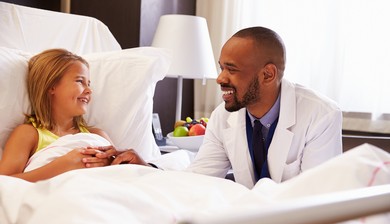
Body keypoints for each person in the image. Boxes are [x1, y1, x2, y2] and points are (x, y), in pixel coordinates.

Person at [91, 26, 343, 189]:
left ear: (267, 74)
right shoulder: (223, 117)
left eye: (231, 69)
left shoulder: (320, 115)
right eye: (221, 67)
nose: (220, 78)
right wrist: (145, 167)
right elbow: (198, 180)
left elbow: (317, 196)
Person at [0, 48, 114, 182]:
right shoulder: (29, 134)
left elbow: (126, 174)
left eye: (88, 84)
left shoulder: (97, 136)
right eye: (79, 81)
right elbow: (5, 183)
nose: (89, 90)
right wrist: (64, 165)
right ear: (51, 86)